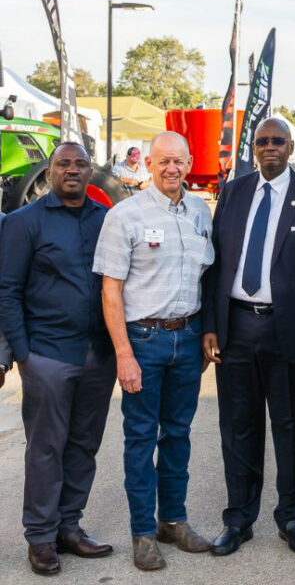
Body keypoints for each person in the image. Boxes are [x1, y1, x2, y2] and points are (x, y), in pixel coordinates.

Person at [200, 117, 295, 557]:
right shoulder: (234, 192)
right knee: (238, 429)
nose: (270, 148)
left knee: (292, 428)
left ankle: (291, 517)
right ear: (254, 147)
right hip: (236, 329)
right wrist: (210, 325)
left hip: (290, 334)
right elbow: (216, 265)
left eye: (278, 141)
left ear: (291, 146)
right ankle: (239, 520)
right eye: (263, 142)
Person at [92, 131, 214, 571]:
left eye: (178, 161)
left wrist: (205, 334)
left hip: (188, 338)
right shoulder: (124, 216)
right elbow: (111, 290)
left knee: (178, 434)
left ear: (189, 162)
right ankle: (143, 532)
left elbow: (207, 278)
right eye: (162, 161)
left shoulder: (201, 210)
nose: (171, 169)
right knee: (141, 438)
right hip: (143, 340)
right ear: (147, 162)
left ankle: (173, 520)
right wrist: (123, 353)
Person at [0, 143, 116, 576]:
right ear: (49, 173)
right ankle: (41, 537)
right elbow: (7, 291)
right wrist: (22, 355)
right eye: (63, 164)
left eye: (79, 163)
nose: (71, 170)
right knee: (46, 448)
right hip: (47, 355)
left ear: (91, 172)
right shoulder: (23, 222)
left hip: (98, 355)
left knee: (84, 446)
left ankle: (70, 526)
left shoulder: (106, 221)